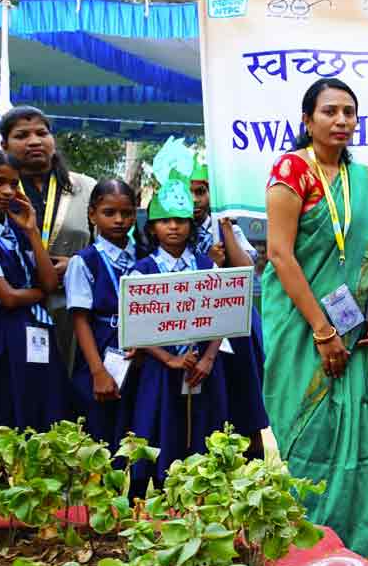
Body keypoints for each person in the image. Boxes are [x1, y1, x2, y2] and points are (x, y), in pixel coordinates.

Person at [262, 78, 368, 566]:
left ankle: (358, 545)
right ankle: (312, 545)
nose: (341, 121)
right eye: (330, 112)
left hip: (354, 325)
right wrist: (323, 331)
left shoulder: (362, 179)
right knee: (313, 430)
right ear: (308, 120)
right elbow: (280, 254)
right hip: (300, 326)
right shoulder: (291, 170)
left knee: (357, 431)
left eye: (349, 112)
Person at [126, 168, 231, 496]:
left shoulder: (206, 266)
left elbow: (222, 315)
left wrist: (210, 358)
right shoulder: (140, 271)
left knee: (201, 431)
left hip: (201, 367)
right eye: (165, 220)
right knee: (154, 428)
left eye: (181, 220)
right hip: (159, 369)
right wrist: (168, 359)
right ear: (153, 227)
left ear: (191, 225)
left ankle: (198, 499)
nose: (174, 227)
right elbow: (136, 324)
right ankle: (142, 503)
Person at [0, 149, 70, 442]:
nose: (8, 191)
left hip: (34, 330)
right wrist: (39, 294)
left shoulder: (16, 226)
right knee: (3, 413)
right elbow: (7, 297)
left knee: (41, 411)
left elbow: (49, 281)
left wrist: (32, 231)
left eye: (13, 183)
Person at [0, 106, 97, 361]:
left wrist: (77, 263)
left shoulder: (86, 188)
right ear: (4, 144)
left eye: (41, 133)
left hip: (74, 307)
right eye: (21, 135)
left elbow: (112, 247)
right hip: (14, 305)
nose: (34, 141)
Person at [190, 157, 268, 459]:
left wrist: (225, 225)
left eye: (203, 191)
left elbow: (247, 270)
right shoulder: (175, 230)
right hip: (196, 328)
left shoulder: (226, 228)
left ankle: (253, 468)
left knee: (243, 400)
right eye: (190, 192)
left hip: (235, 328)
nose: (196, 200)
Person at [65, 180, 142, 450]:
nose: (119, 220)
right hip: (102, 351)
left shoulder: (146, 257)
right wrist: (98, 371)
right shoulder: (84, 262)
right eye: (109, 213)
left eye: (127, 213)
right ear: (92, 214)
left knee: (140, 430)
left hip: (143, 354)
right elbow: (80, 320)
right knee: (101, 435)